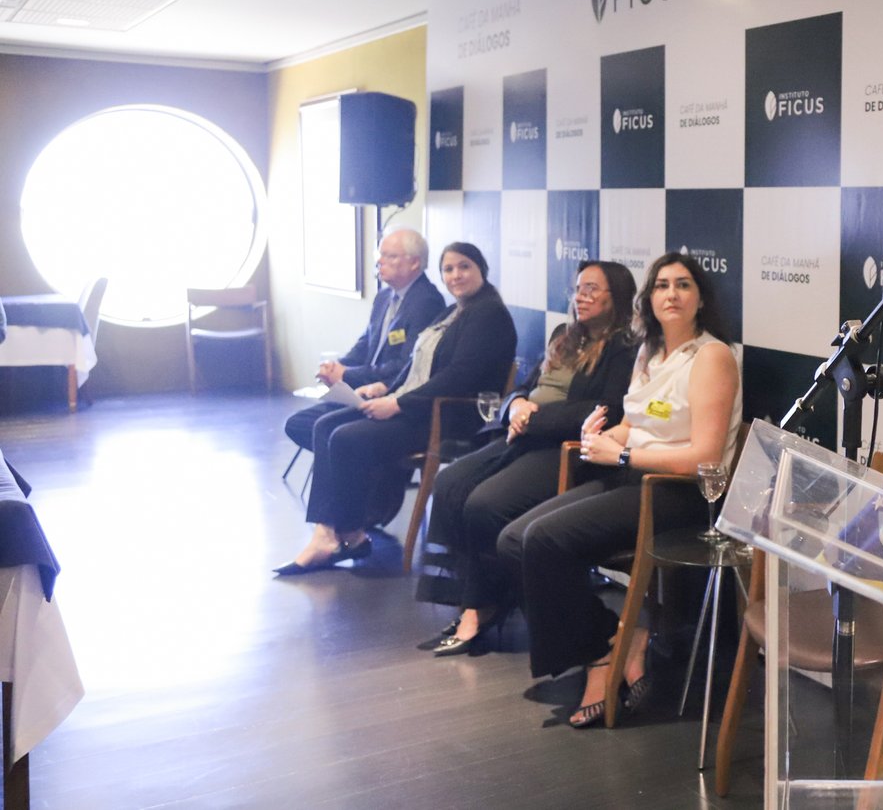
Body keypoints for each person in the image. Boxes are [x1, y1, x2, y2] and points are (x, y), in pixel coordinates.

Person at [497, 252, 741, 727]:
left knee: (546, 540)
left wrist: (625, 455)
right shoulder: (650, 351)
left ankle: (602, 656)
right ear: (648, 299)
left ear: (700, 298)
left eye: (684, 285)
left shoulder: (712, 356)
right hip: (633, 477)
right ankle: (614, 638)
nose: (672, 294)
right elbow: (633, 423)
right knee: (513, 540)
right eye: (662, 285)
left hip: (679, 493)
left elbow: (706, 458)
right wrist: (605, 437)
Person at [416, 260, 639, 656]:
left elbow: (607, 409)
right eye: (578, 289)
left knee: (485, 504)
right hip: (523, 435)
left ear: (616, 297)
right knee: (450, 482)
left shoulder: (625, 347)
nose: (581, 297)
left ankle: (485, 605)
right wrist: (516, 405)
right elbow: (524, 387)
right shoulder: (564, 336)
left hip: (565, 448)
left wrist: (534, 419)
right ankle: (470, 601)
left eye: (592, 289)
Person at [274, 242, 516, 576]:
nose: (455, 275)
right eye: (448, 269)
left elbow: (459, 377)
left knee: (346, 437)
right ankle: (338, 534)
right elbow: (419, 361)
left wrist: (397, 402)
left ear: (481, 270)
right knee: (323, 426)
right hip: (417, 405)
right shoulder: (454, 310)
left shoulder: (488, 314)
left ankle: (339, 535)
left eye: (464, 267)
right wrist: (385, 388)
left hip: (447, 417)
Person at [283, 228, 445, 451]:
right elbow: (365, 345)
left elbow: (406, 366)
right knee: (298, 424)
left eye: (390, 256)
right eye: (380, 255)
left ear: (415, 263)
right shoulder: (384, 296)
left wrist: (348, 375)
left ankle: (363, 475)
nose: (380, 262)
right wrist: (338, 367)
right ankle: (359, 475)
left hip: (389, 395)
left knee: (328, 431)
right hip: (362, 391)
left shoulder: (426, 301)